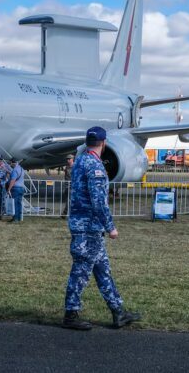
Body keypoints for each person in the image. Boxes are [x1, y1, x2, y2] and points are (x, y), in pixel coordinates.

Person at [62, 126, 140, 330]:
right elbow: (98, 202)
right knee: (80, 271)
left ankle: (118, 312)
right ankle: (71, 314)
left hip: (86, 226)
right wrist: (111, 227)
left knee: (103, 270)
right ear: (104, 143)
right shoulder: (95, 167)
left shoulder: (79, 161)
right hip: (88, 228)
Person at [6, 157, 26, 223]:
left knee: (15, 204)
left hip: (16, 188)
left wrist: (9, 189)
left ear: (12, 162)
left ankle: (15, 219)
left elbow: (13, 180)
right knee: (19, 203)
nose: (10, 164)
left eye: (10, 163)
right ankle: (19, 217)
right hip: (21, 188)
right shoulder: (21, 169)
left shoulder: (15, 170)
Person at [0, 156, 11, 220]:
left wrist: (6, 170)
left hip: (3, 185)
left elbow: (11, 172)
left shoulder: (6, 166)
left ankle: (1, 214)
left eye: (1, 160)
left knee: (2, 200)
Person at [61, 154, 74, 219]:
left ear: (72, 159)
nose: (68, 160)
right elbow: (66, 177)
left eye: (69, 159)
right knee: (68, 200)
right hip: (67, 185)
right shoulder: (67, 167)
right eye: (67, 159)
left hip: (73, 186)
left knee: (69, 200)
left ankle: (65, 214)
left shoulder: (75, 167)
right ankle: (65, 214)